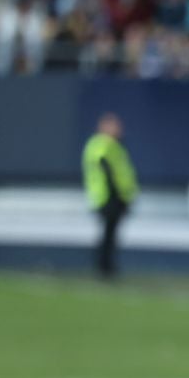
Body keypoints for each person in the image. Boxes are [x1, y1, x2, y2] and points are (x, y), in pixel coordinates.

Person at [82, 113, 137, 278]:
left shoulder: (115, 146)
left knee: (111, 234)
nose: (118, 129)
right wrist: (117, 194)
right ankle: (103, 267)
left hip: (116, 197)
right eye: (114, 125)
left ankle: (107, 266)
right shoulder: (102, 145)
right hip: (107, 197)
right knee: (107, 234)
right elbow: (106, 171)